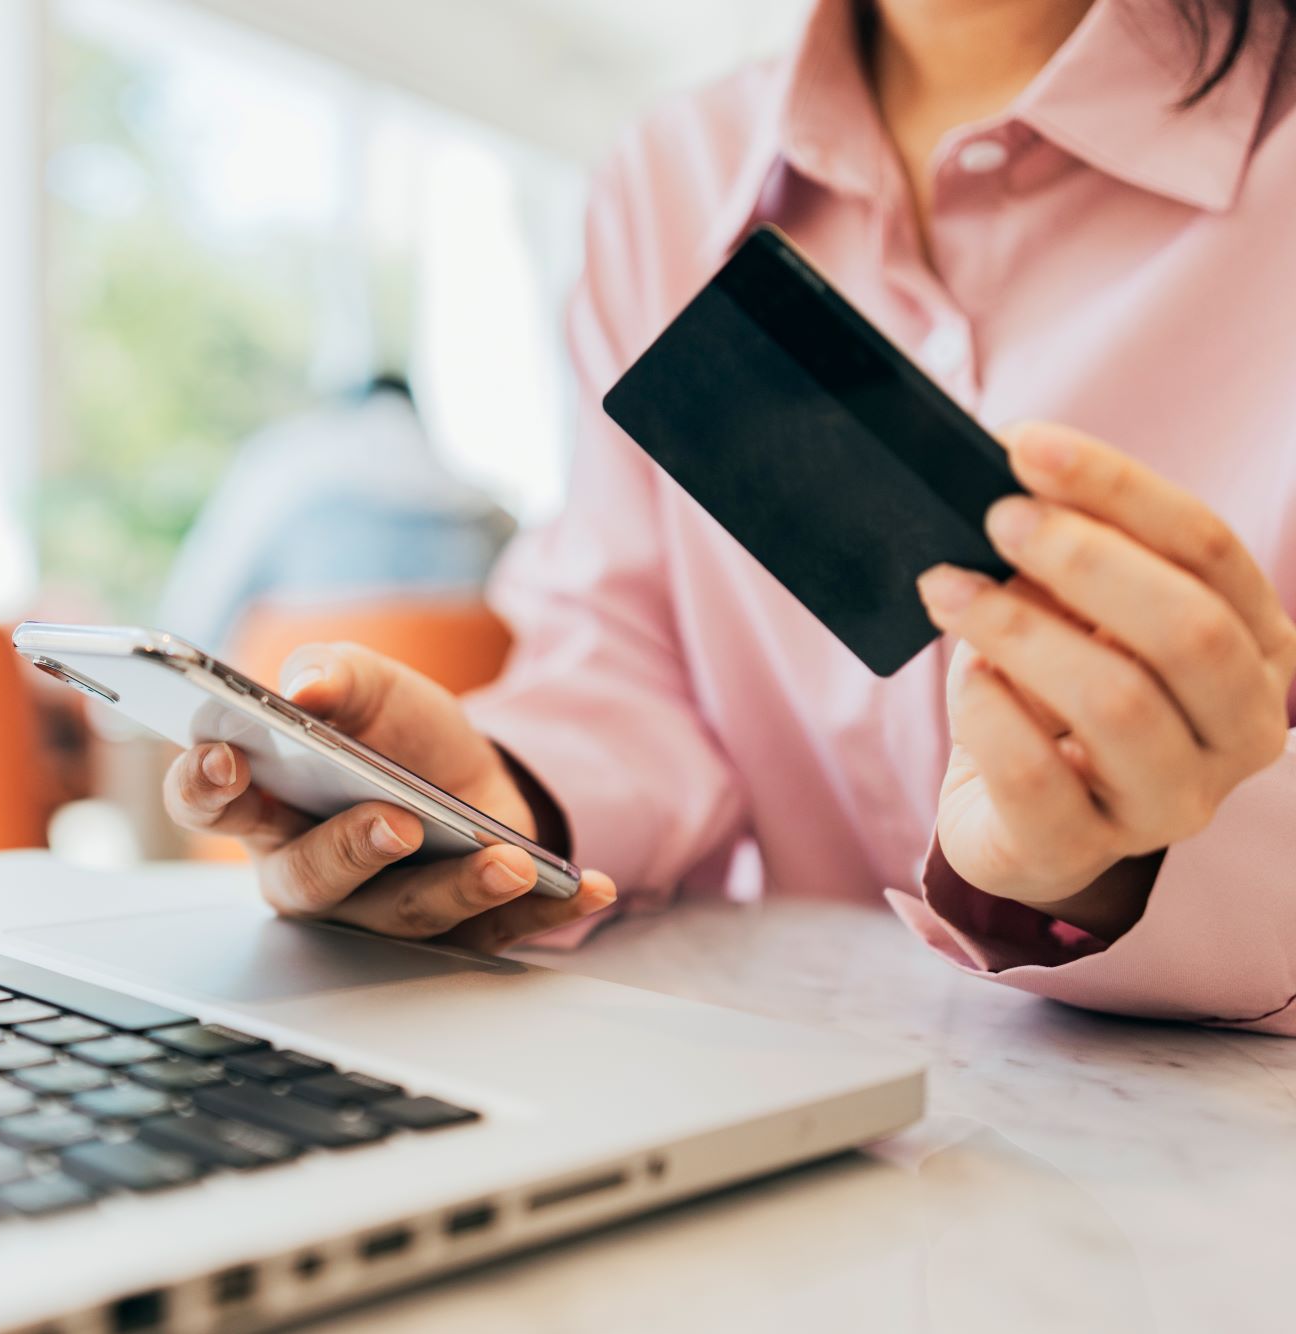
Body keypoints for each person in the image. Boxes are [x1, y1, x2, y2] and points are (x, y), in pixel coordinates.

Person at [163, 0, 1296, 1036]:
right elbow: (625, 653)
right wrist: (503, 795)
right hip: (774, 1080)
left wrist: (1100, 873)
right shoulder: (668, 177)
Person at [154, 375, 515, 654]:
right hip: (458, 730)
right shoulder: (490, 507)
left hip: (303, 715)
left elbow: (192, 622)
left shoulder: (277, 469)